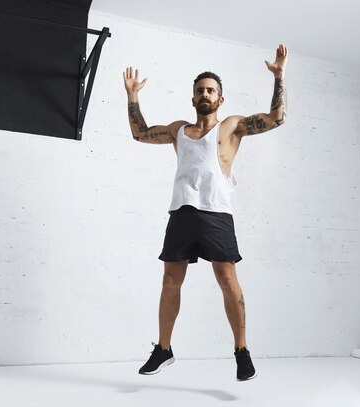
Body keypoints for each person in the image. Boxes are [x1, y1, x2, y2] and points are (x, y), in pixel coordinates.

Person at [123, 44, 288, 381]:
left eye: (211, 90)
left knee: (228, 279)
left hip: (216, 214)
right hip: (182, 212)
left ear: (220, 99)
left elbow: (277, 118)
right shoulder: (179, 130)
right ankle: (164, 349)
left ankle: (242, 351)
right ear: (193, 97)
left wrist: (279, 76)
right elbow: (139, 133)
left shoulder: (232, 127)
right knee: (170, 280)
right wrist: (132, 96)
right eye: (200, 90)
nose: (205, 94)